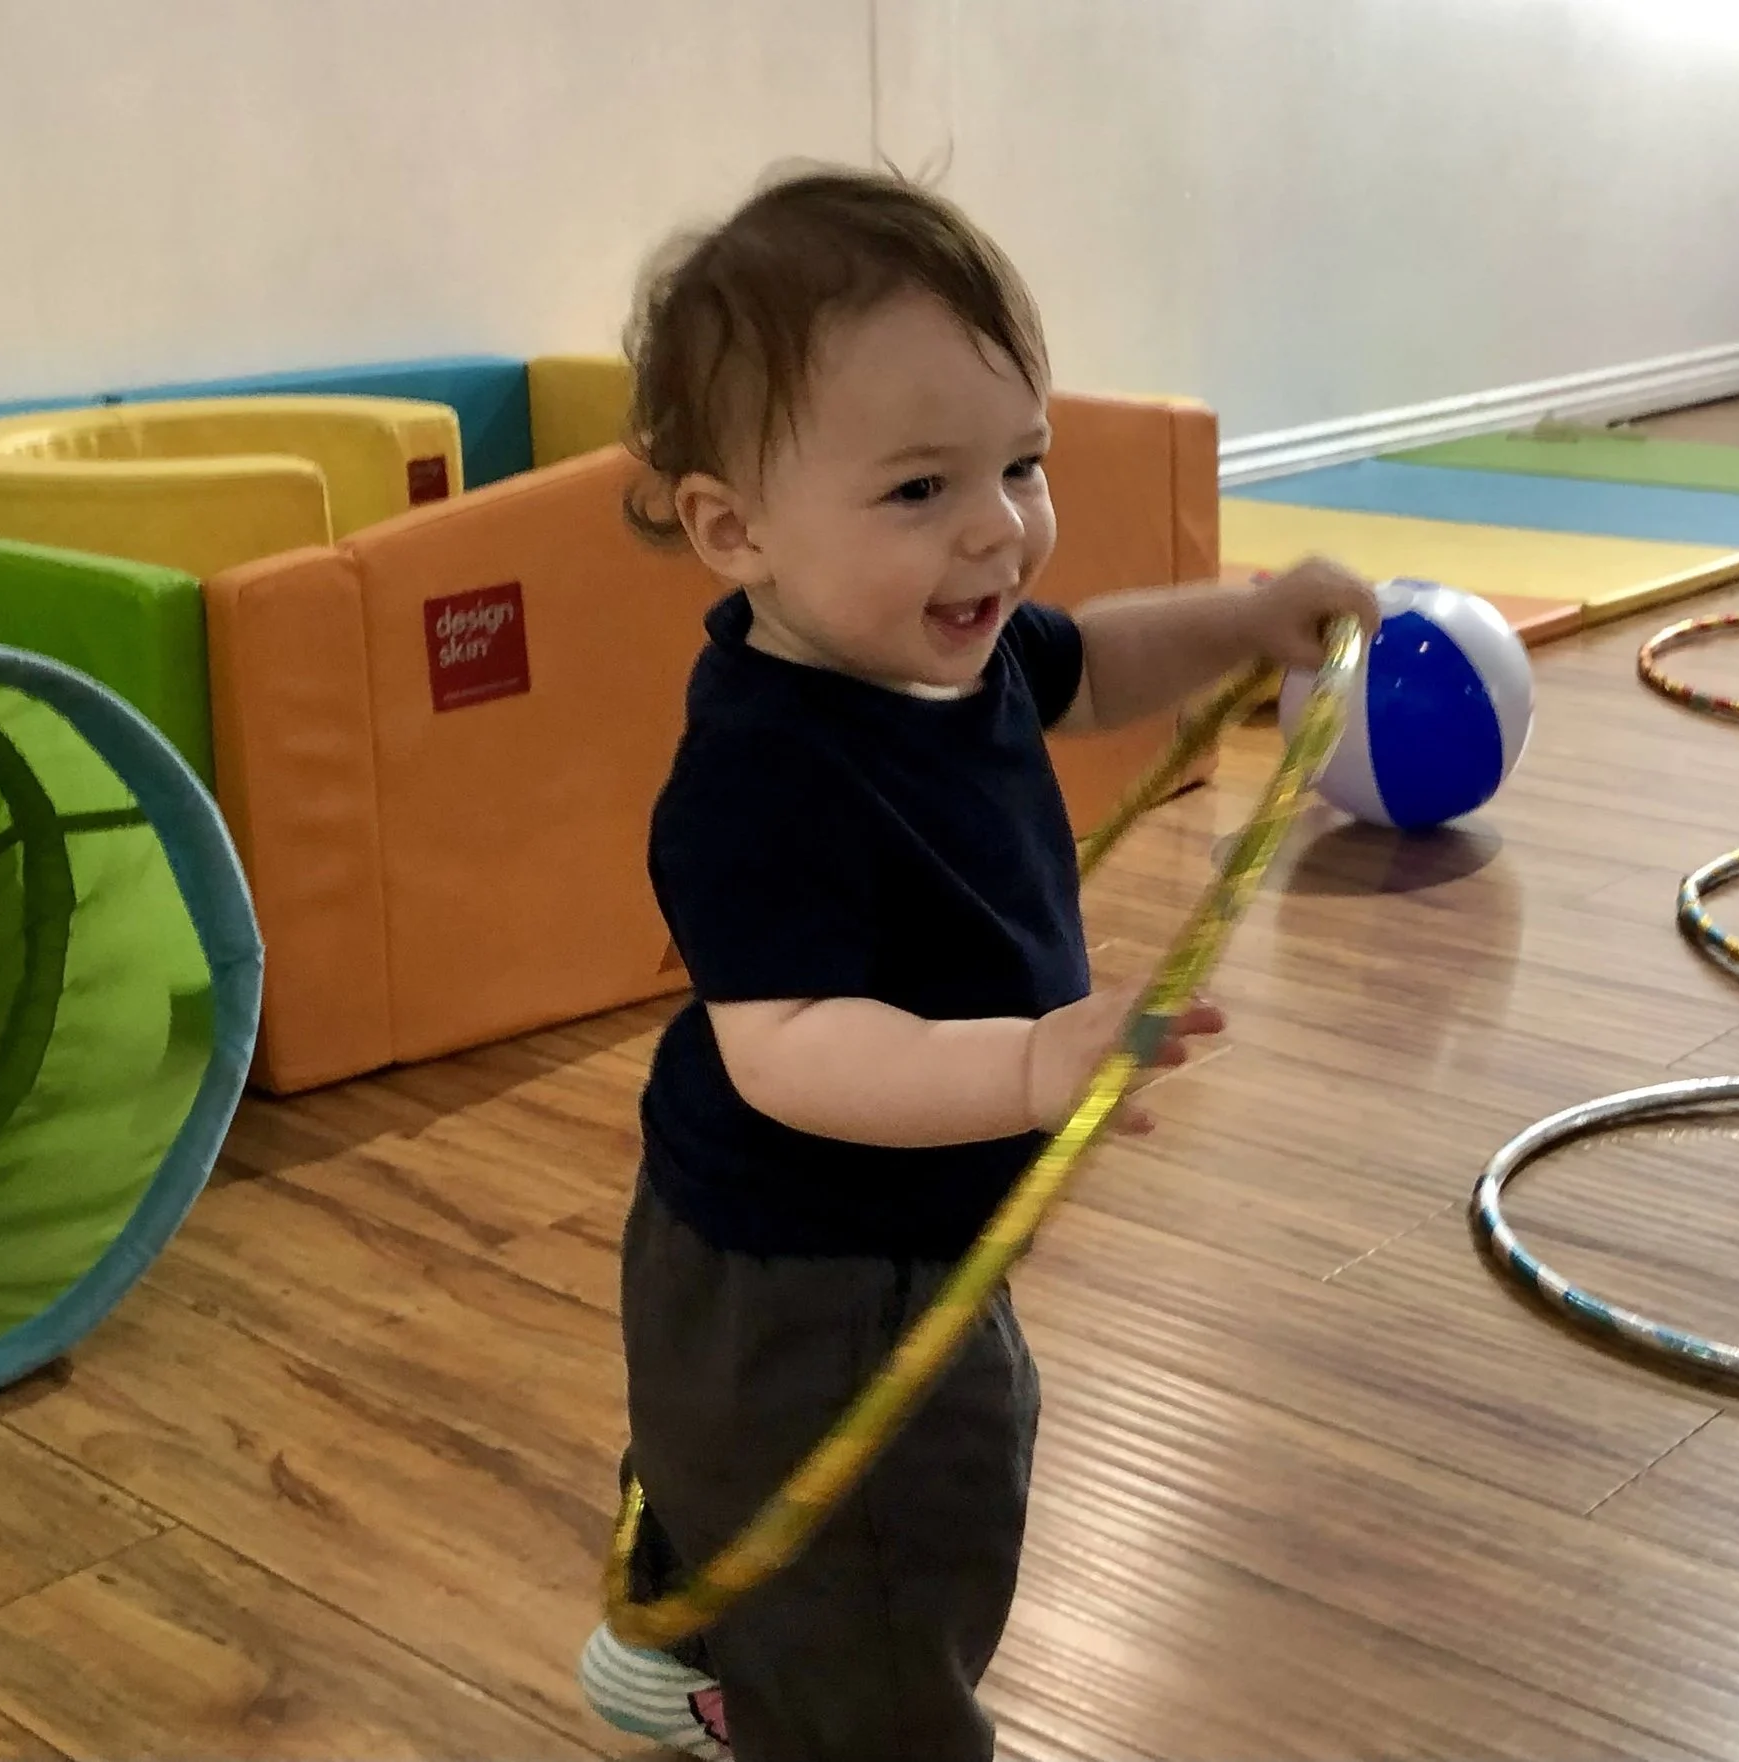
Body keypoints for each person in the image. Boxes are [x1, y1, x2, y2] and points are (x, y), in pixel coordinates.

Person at [576, 163, 1379, 1761]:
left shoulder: (955, 641)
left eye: (1021, 461)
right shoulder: (760, 773)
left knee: (739, 1464)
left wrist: (1250, 617)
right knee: (905, 1525)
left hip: (842, 1234)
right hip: (812, 1266)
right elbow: (789, 1044)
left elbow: (1093, 667)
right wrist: (1023, 1066)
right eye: (919, 490)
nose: (998, 530)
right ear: (735, 529)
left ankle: (681, 1646)